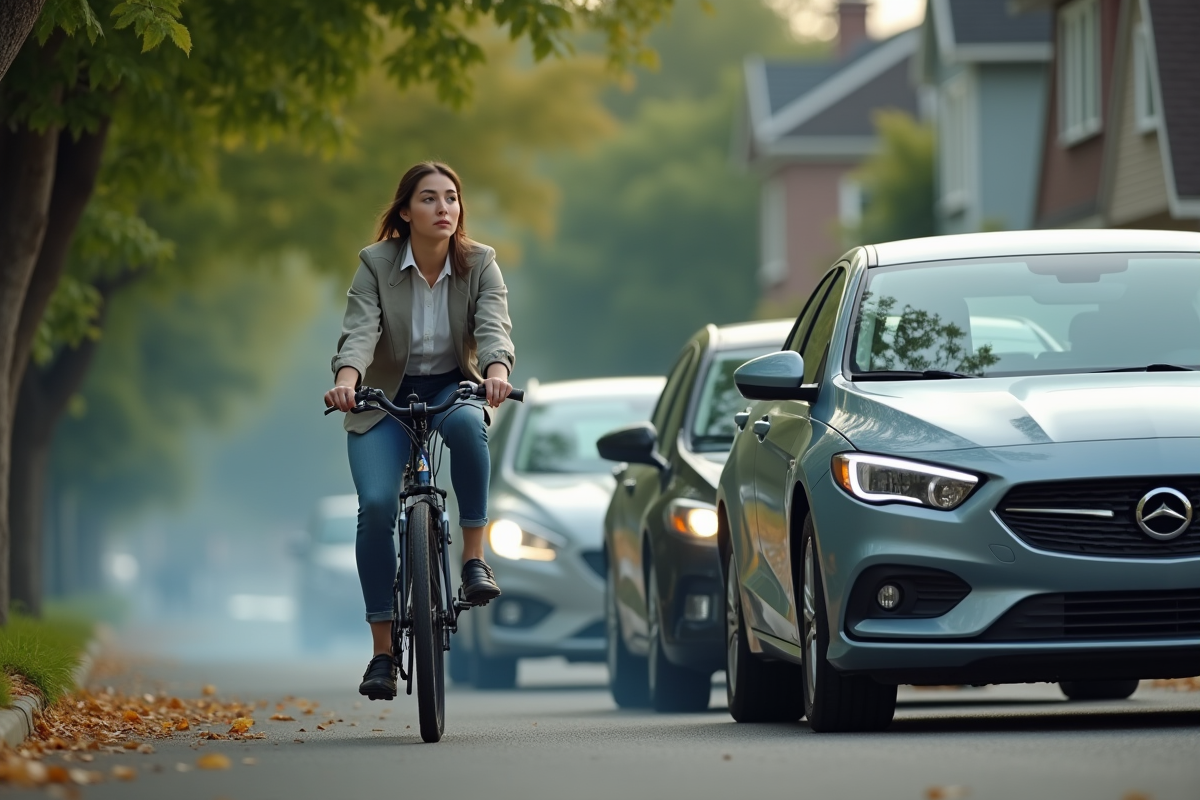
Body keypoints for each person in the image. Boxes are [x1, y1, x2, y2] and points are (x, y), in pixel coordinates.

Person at [324, 161, 515, 699]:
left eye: (451, 198)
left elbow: (493, 325)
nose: (443, 209)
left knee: (469, 429)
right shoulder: (375, 264)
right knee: (379, 505)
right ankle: (382, 652)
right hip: (383, 397)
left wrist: (497, 373)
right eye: (429, 199)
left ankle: (474, 560)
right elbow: (360, 330)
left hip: (451, 389)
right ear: (405, 212)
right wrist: (346, 380)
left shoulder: (480, 263)